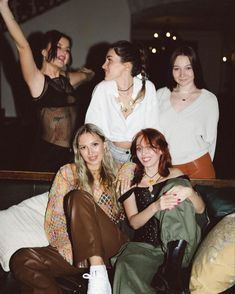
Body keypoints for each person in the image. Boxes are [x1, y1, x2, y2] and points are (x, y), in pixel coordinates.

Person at [9, 123, 128, 294]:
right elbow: (54, 218)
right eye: (84, 147)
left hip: (111, 247)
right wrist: (67, 246)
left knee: (78, 197)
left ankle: (98, 275)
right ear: (78, 151)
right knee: (22, 259)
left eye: (95, 144)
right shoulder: (67, 173)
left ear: (105, 145)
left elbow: (150, 169)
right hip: (75, 252)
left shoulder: (120, 172)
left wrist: (130, 168)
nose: (90, 152)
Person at [0, 0, 94, 172]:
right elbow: (22, 46)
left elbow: (86, 76)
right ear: (43, 52)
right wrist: (3, 7)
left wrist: (89, 73)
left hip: (70, 155)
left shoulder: (67, 80)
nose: (64, 53)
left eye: (67, 49)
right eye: (59, 47)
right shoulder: (37, 81)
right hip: (47, 157)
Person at [112, 128, 206, 294]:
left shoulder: (176, 174)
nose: (144, 153)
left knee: (174, 187)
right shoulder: (131, 182)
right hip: (145, 247)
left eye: (150, 147)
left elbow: (201, 209)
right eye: (139, 148)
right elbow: (134, 223)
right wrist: (156, 206)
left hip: (180, 247)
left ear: (161, 149)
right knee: (126, 265)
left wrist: (190, 193)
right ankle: (170, 276)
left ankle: (172, 267)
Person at [85, 40, 159, 165]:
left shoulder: (148, 88)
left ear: (127, 66)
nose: (103, 65)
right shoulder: (102, 89)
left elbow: (153, 131)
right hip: (108, 156)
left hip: (141, 156)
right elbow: (92, 131)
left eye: (109, 60)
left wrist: (133, 164)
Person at [157, 45, 219, 178]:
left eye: (188, 68)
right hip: (168, 167)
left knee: (201, 199)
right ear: (171, 70)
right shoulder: (160, 95)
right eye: (176, 69)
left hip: (199, 165)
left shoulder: (209, 99)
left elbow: (211, 141)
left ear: (195, 68)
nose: (182, 74)